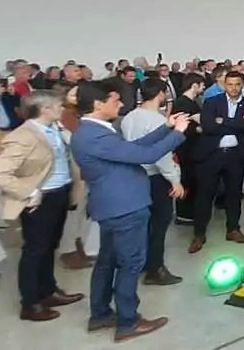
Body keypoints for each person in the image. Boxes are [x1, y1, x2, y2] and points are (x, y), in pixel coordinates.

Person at [70, 81, 188, 343]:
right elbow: (145, 156)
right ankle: (128, 321)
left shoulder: (94, 131)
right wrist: (177, 134)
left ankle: (100, 314)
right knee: (130, 263)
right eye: (115, 100)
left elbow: (135, 147)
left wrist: (165, 127)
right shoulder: (95, 135)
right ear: (98, 105)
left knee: (107, 261)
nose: (121, 104)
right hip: (125, 206)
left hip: (112, 205)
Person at [0, 90, 85, 321]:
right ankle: (30, 303)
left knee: (49, 246)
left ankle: (47, 291)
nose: (63, 109)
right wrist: (29, 191)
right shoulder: (23, 136)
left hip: (59, 193)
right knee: (35, 250)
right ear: (45, 110)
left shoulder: (54, 129)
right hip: (40, 199)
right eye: (58, 106)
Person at [121, 78, 186, 285]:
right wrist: (175, 180)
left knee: (144, 225)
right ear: (160, 94)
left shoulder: (129, 118)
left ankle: (143, 263)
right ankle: (155, 269)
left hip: (135, 177)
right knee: (159, 225)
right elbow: (161, 155)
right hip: (156, 178)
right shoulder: (158, 121)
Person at [189, 72, 244, 253]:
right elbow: (208, 126)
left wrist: (222, 121)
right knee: (205, 195)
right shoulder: (212, 102)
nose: (233, 88)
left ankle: (233, 229)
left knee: (234, 194)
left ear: (242, 85)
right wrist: (236, 123)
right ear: (224, 85)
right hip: (212, 155)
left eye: (237, 84)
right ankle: (199, 234)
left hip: (236, 155)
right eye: (230, 84)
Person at [54, 83, 92, 269]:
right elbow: (71, 139)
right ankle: (68, 249)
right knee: (73, 209)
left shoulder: (78, 113)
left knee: (81, 211)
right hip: (72, 167)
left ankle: (79, 247)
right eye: (73, 93)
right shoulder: (64, 116)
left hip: (82, 166)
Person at [170, 73, 205, 224]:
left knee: (192, 180)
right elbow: (182, 128)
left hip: (193, 148)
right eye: (202, 85)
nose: (204, 88)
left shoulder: (191, 102)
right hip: (186, 149)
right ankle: (184, 214)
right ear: (194, 85)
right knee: (186, 180)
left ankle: (190, 212)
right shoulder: (183, 103)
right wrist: (198, 129)